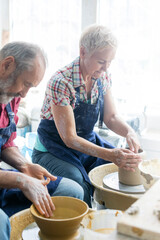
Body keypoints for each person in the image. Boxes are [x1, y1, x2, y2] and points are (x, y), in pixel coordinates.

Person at [32, 24, 142, 208]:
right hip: (52, 148)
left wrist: (129, 132)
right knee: (79, 183)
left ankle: (109, 219)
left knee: (118, 170)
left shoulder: (102, 76)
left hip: (85, 143)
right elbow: (70, 138)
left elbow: (111, 117)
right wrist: (110, 153)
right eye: (101, 61)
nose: (106, 68)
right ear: (83, 52)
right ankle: (86, 227)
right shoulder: (61, 81)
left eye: (110, 62)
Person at [0, 42, 84, 240]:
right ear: (7, 65)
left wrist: (26, 166)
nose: (24, 93)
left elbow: (6, 143)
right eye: (26, 83)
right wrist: (21, 180)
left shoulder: (10, 93)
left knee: (72, 191)